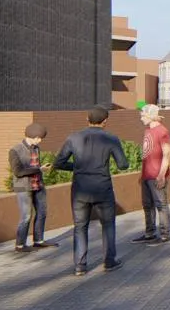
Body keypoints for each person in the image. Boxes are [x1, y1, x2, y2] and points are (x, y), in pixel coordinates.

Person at [54, 106, 129, 276]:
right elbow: (123, 165)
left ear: (87, 119)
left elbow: (58, 162)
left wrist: (79, 167)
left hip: (80, 188)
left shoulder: (73, 137)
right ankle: (109, 262)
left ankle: (80, 266)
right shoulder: (111, 138)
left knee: (80, 227)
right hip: (103, 187)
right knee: (108, 224)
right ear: (105, 121)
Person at [8, 122, 57, 253]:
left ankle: (38, 240)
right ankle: (20, 245)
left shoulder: (36, 148)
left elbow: (35, 167)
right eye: (39, 137)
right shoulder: (15, 150)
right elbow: (18, 171)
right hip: (23, 187)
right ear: (32, 135)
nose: (40, 140)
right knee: (26, 216)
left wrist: (41, 170)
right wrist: (39, 169)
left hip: (38, 184)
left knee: (42, 212)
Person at [132, 105, 170, 245]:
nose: (141, 117)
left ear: (150, 115)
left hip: (157, 175)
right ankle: (149, 233)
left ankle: (164, 235)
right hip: (146, 175)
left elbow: (167, 154)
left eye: (143, 115)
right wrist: (142, 175)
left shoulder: (162, 131)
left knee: (161, 205)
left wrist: (161, 175)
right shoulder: (148, 130)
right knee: (147, 205)